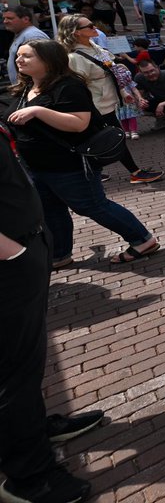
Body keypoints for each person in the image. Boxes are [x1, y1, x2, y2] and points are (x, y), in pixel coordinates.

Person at [0, 126, 102, 503]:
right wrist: (15, 255)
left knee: (24, 361)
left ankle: (33, 431)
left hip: (25, 245)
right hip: (10, 263)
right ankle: (30, 477)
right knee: (13, 370)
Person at [7, 39, 160, 266]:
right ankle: (60, 254)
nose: (19, 59)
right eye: (18, 55)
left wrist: (38, 111)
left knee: (92, 205)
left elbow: (79, 123)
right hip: (37, 166)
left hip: (68, 164)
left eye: (27, 56)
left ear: (49, 60)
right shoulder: (26, 88)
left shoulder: (68, 86)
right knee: (51, 209)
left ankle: (142, 240)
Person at [59, 13, 164, 184]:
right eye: (90, 26)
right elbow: (77, 87)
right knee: (115, 137)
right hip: (95, 105)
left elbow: (110, 72)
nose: (95, 28)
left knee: (98, 138)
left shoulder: (94, 46)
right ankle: (134, 172)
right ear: (76, 32)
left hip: (106, 101)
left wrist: (124, 93)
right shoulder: (74, 58)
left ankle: (92, 172)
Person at [4, 6, 49, 84]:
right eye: (4, 18)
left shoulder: (33, 35)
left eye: (10, 18)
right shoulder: (22, 34)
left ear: (26, 19)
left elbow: (42, 65)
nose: (5, 21)